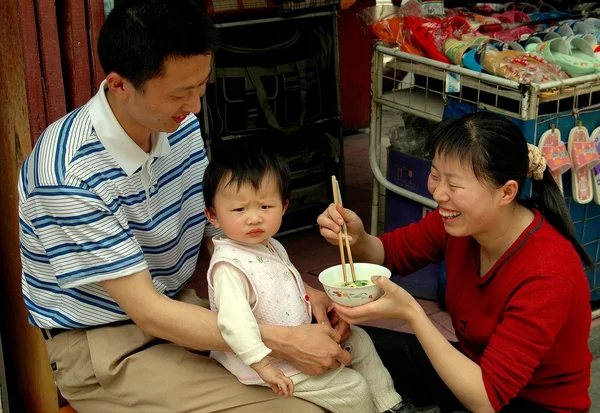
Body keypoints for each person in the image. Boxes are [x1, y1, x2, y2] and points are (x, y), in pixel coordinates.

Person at [17, 1, 353, 411]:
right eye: (180, 93)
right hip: (108, 345)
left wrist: (298, 290)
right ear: (120, 84)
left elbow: (218, 223)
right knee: (303, 407)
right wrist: (280, 337)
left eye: (201, 86)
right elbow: (148, 312)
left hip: (180, 308)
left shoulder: (177, 125)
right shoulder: (69, 177)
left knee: (352, 352)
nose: (195, 106)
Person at [317, 112, 593, 413]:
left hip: (525, 404)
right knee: (352, 343)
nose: (437, 192)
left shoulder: (546, 273)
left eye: (455, 184)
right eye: (435, 174)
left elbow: (487, 399)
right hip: (473, 374)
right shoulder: (458, 221)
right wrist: (356, 239)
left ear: (507, 191)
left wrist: (412, 313)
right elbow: (388, 254)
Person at [202, 147, 432, 413]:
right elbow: (233, 324)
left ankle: (392, 408)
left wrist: (314, 303)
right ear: (213, 216)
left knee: (360, 341)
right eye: (239, 209)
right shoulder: (228, 267)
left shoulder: (270, 245)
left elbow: (281, 285)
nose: (254, 217)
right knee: (352, 388)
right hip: (260, 360)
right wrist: (262, 365)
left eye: (266, 206)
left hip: (294, 337)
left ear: (284, 206)